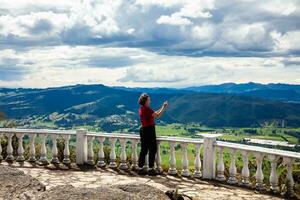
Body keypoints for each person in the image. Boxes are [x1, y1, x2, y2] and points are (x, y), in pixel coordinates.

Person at [137, 93, 168, 176]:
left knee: (144, 150)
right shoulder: (147, 110)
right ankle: (151, 169)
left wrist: (161, 107)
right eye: (149, 99)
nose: (150, 100)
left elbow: (154, 113)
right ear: (146, 101)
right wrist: (164, 108)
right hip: (149, 130)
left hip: (143, 130)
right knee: (152, 149)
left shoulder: (141, 109)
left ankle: (140, 168)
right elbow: (157, 115)